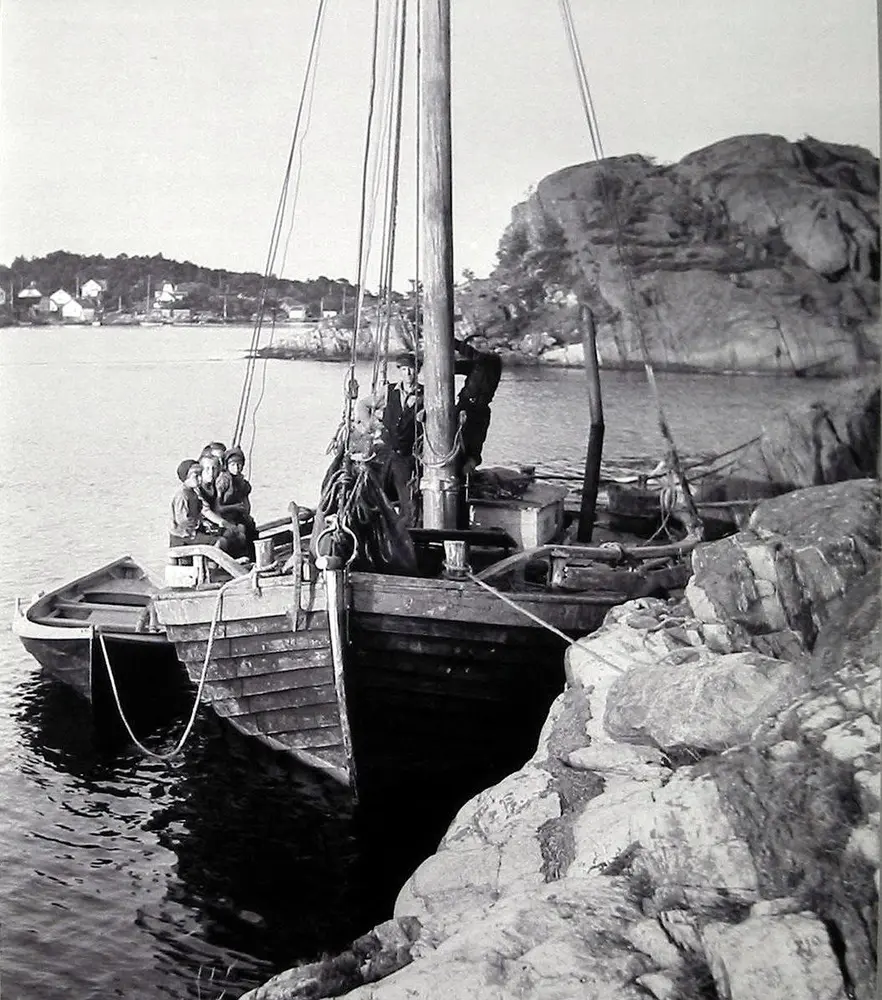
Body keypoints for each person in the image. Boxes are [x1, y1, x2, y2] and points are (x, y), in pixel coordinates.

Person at [378, 352, 424, 525]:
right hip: (386, 451)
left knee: (408, 497)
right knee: (376, 491)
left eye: (411, 370)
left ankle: (408, 531)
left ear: (417, 371)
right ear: (400, 372)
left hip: (407, 454)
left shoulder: (425, 395)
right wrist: (373, 426)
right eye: (404, 370)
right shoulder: (389, 391)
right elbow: (364, 405)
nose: (408, 374)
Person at [169, 458, 238, 554]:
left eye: (200, 475)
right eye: (195, 476)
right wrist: (198, 524)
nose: (200, 479)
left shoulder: (193, 493)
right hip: (184, 536)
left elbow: (199, 511)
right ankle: (213, 565)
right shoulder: (182, 495)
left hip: (193, 532)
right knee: (219, 542)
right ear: (186, 478)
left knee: (226, 533)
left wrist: (204, 523)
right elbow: (182, 520)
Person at [216, 445, 258, 556]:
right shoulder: (223, 480)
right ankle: (237, 558)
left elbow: (246, 500)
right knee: (239, 532)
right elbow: (217, 507)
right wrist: (234, 507)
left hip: (237, 515)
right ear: (227, 466)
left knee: (250, 528)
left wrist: (246, 514)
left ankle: (253, 557)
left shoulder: (241, 482)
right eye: (233, 465)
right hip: (224, 516)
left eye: (239, 464)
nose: (236, 468)